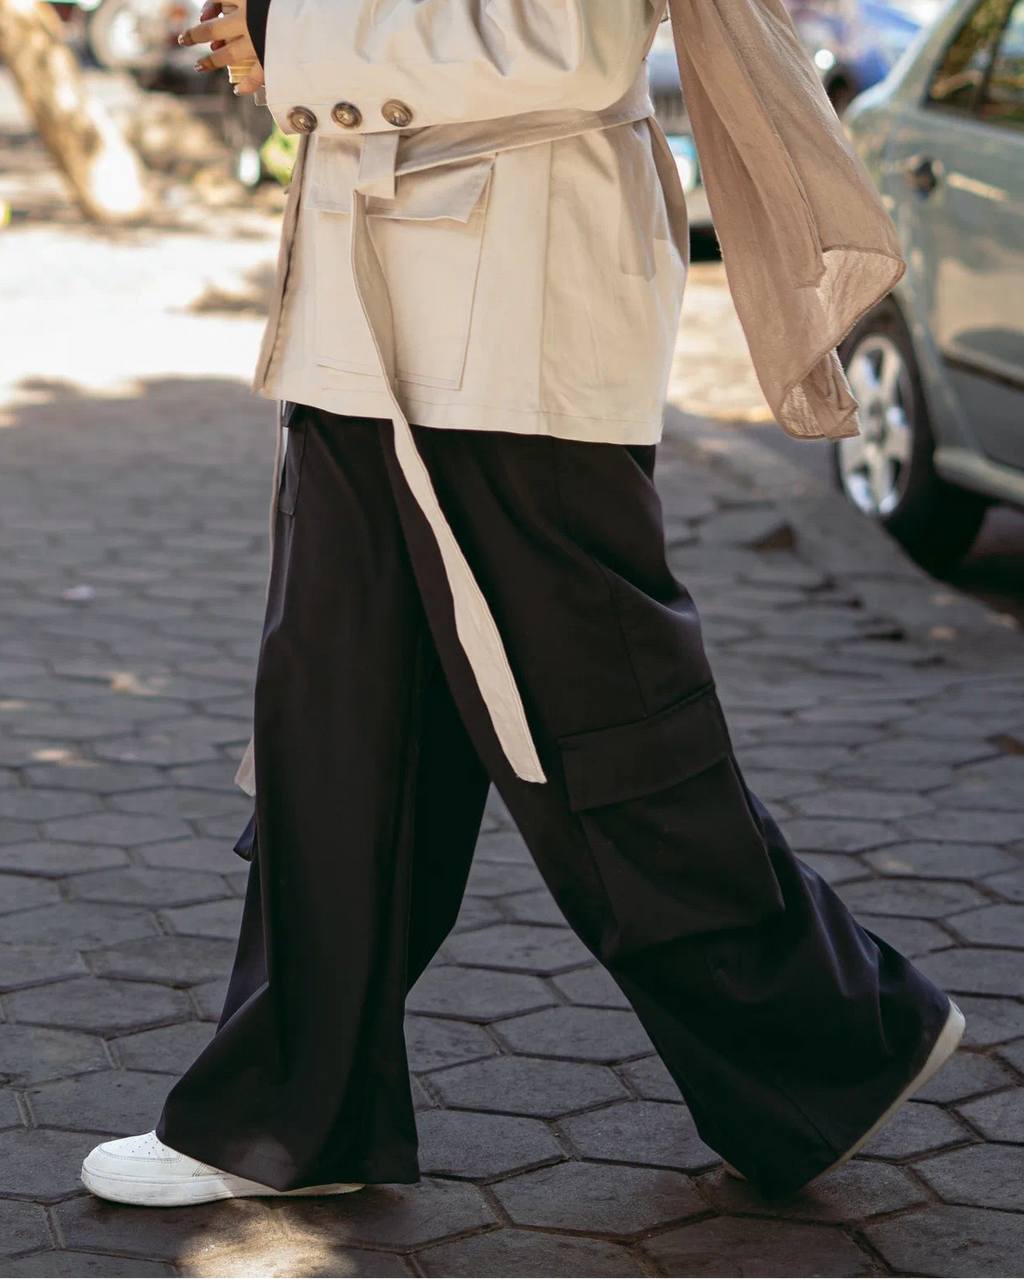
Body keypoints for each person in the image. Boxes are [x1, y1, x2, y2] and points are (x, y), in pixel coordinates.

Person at [81, 0, 964, 1207]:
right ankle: (287, 1116)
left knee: (598, 720)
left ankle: (833, 1035)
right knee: (340, 722)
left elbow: (573, 39)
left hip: (507, 316)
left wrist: (296, 36)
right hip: (381, 301)